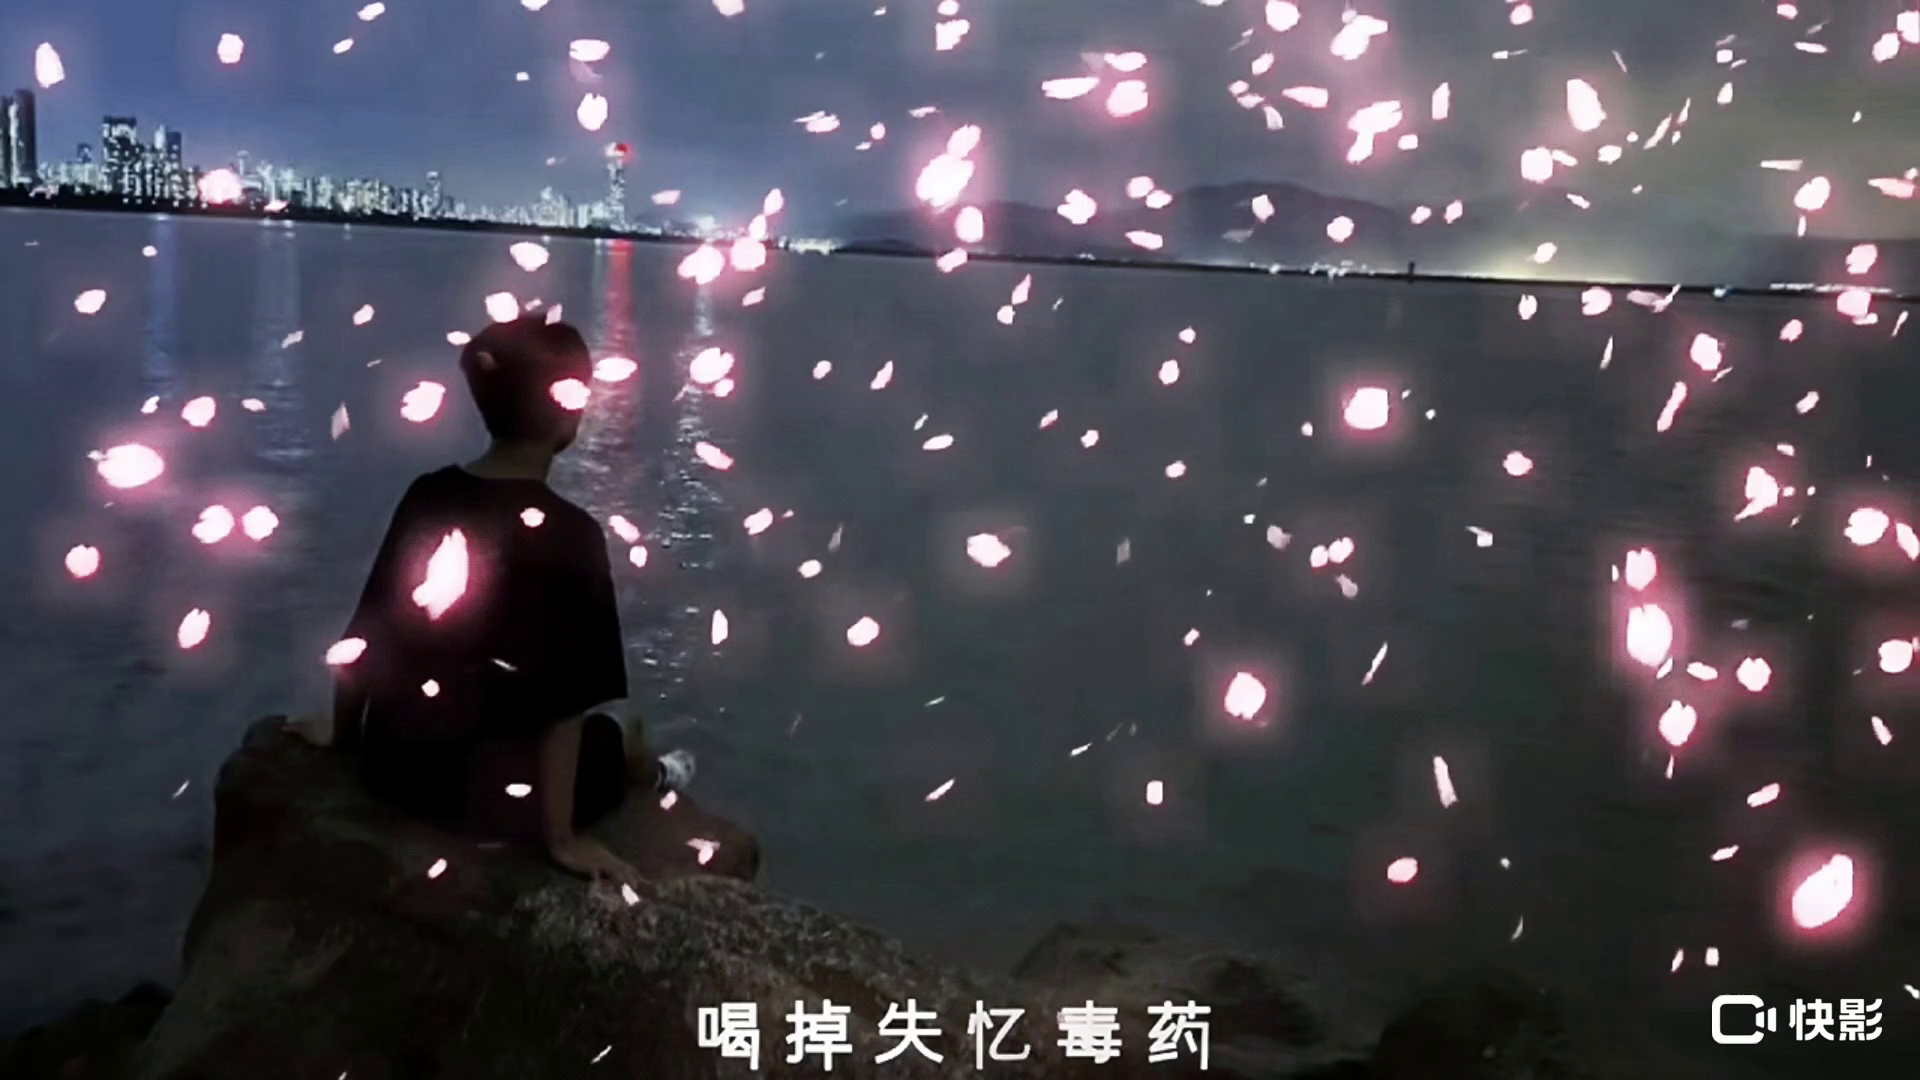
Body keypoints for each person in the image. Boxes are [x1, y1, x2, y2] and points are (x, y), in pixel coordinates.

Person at [287, 314, 693, 887]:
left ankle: (642, 763)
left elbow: (366, 636)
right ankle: (649, 772)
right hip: (491, 795)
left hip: (397, 767)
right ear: (569, 412)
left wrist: (343, 735)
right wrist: (562, 839)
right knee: (602, 740)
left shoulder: (428, 495)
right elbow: (567, 699)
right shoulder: (572, 534)